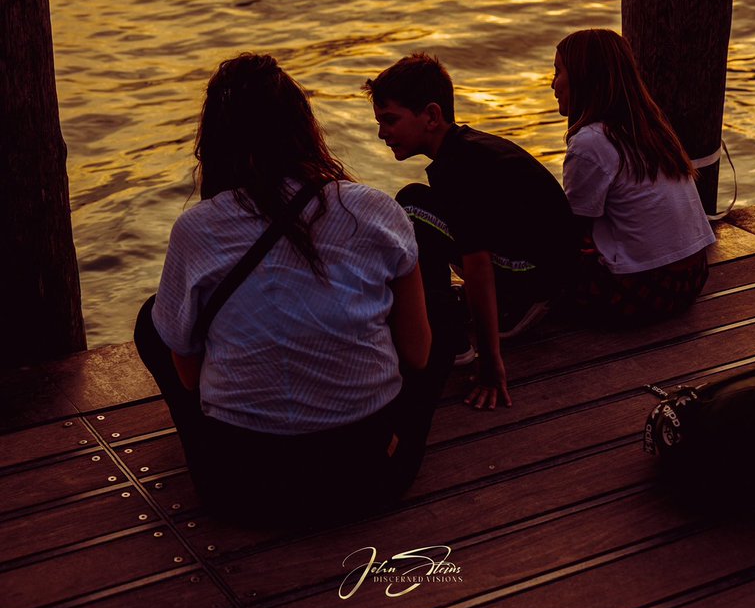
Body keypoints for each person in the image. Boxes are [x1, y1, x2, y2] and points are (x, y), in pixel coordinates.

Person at [134, 53, 449, 528]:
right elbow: (419, 356)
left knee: (153, 320)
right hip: (368, 476)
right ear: (304, 127)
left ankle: (207, 444)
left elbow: (189, 378)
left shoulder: (196, 230)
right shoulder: (376, 210)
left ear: (215, 142)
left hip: (241, 489)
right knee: (436, 303)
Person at [364, 53, 580, 412]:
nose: (382, 133)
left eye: (390, 120)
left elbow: (476, 265)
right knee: (418, 202)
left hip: (536, 275)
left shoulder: (457, 167)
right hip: (548, 266)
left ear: (431, 116)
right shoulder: (468, 148)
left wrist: (489, 360)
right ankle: (458, 314)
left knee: (412, 207)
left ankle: (450, 338)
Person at [552, 29, 715, 326]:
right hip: (692, 276)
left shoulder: (591, 142)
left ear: (583, 77)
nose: (553, 84)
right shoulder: (650, 129)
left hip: (647, 289)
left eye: (558, 71)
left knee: (540, 260)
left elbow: (570, 231)